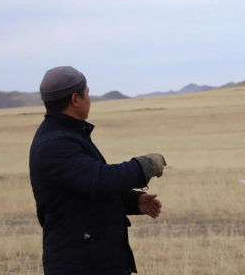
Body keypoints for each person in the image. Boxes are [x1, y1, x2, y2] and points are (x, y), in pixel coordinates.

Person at [29, 66, 167, 275]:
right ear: (76, 99)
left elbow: (84, 190)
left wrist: (133, 201)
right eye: (88, 93)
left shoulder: (68, 134)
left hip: (93, 258)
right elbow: (98, 180)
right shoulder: (56, 142)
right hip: (79, 263)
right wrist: (143, 166)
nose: (89, 99)